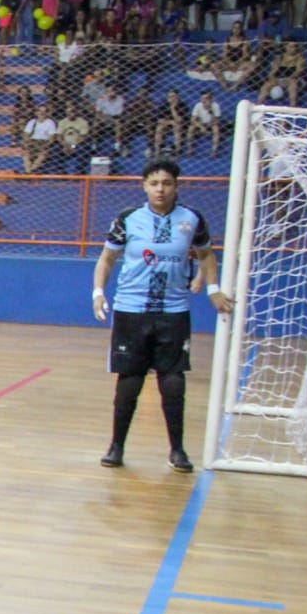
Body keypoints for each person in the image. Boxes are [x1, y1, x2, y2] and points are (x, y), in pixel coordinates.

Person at [92, 159, 232, 472]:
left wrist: (213, 289)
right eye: (154, 183)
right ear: (144, 186)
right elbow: (106, 258)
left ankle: (177, 451)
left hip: (173, 311)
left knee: (173, 383)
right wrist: (98, 292)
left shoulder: (192, 219)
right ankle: (116, 447)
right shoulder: (127, 219)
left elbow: (206, 254)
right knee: (130, 381)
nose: (160, 189)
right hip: (131, 310)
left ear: (176, 186)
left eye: (167, 183)